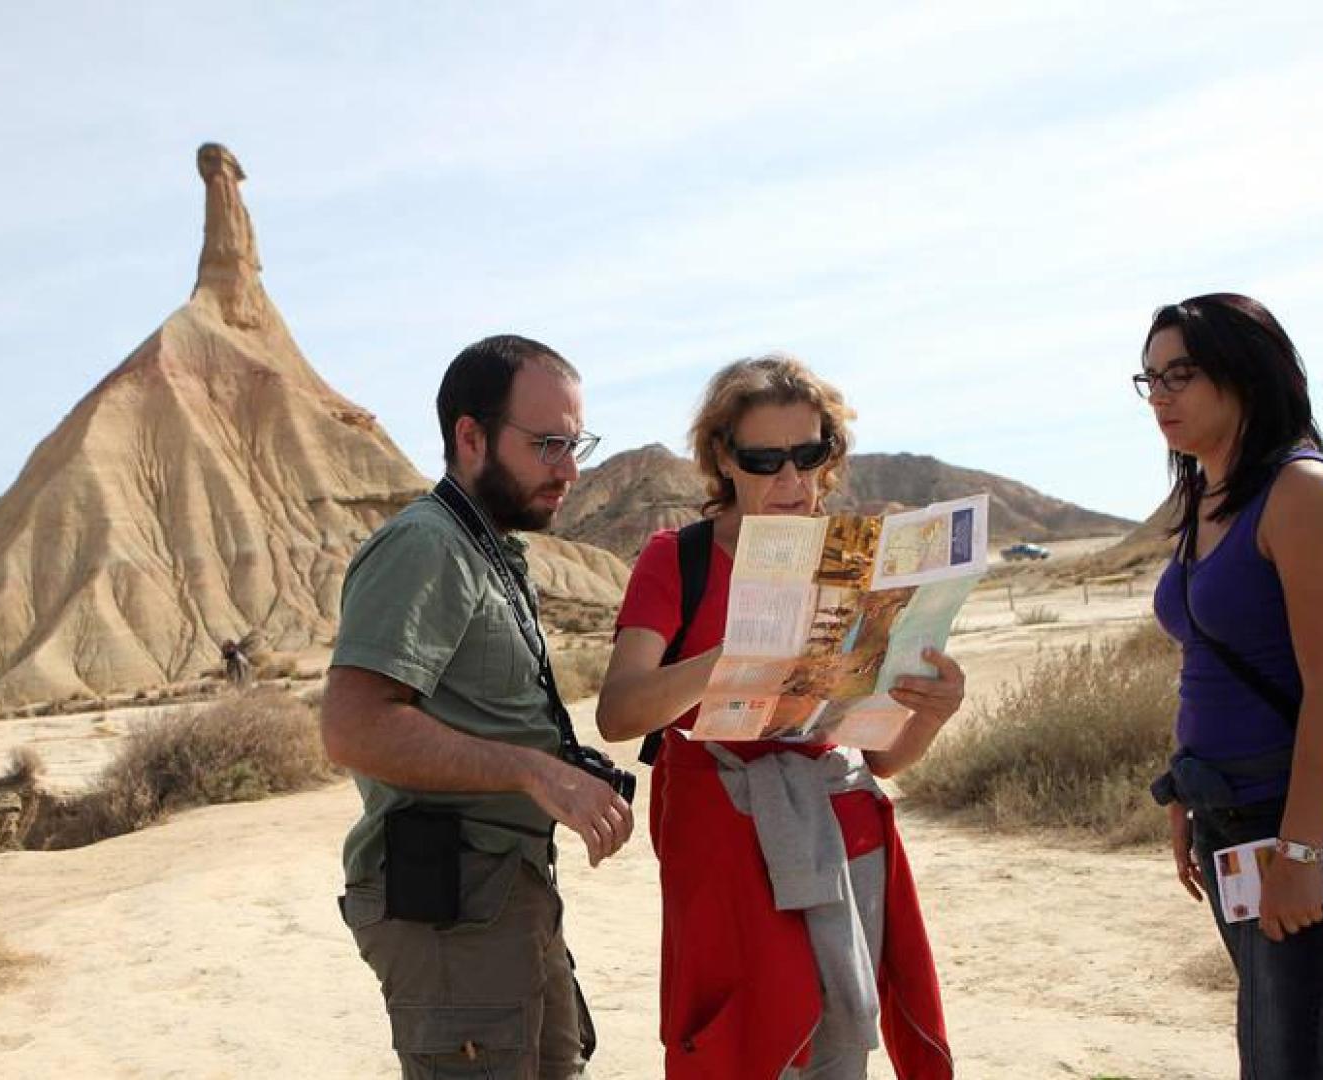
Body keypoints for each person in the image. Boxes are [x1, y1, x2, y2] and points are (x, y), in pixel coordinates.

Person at [597, 355, 961, 1079]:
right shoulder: (678, 559)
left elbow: (883, 759)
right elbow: (618, 713)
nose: (791, 480)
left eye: (809, 455)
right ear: (725, 459)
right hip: (723, 844)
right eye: (765, 460)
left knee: (840, 1047)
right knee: (735, 1042)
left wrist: (931, 714)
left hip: (841, 832)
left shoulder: (860, 562)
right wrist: (731, 659)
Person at [321, 335, 632, 1079]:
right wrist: (532, 771)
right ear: (471, 437)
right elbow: (354, 726)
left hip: (503, 891)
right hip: (454, 907)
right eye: (548, 444)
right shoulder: (425, 545)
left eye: (575, 444)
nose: (569, 469)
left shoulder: (486, 547)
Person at [1140, 295, 1323, 1078]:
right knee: (1312, 1047)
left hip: (1299, 813)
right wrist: (1185, 788)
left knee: (1281, 1057)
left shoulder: (1299, 490)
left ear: (1245, 373)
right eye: (1150, 379)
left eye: (1181, 374)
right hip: (1225, 815)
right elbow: (1204, 665)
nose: (1161, 397)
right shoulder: (1205, 495)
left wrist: (1300, 849)